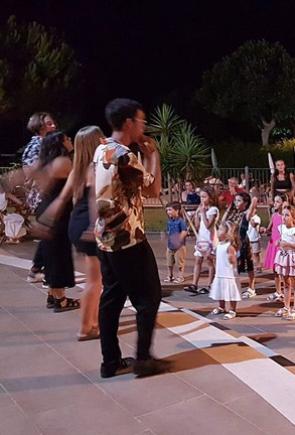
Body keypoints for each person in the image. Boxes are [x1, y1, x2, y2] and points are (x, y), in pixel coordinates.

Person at [93, 98, 170, 378]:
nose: (144, 125)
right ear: (128, 123)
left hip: (105, 239)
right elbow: (153, 190)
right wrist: (153, 155)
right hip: (129, 240)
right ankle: (143, 360)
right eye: (141, 120)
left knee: (111, 299)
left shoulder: (102, 149)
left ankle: (110, 362)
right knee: (149, 298)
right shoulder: (125, 155)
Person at [35, 131, 79, 312]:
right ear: (60, 143)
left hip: (46, 209)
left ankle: (53, 295)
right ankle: (60, 299)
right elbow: (80, 176)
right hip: (57, 213)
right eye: (67, 139)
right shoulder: (64, 162)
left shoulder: (46, 163)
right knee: (59, 254)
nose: (70, 140)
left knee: (51, 254)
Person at [22, 112, 57, 283]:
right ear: (40, 127)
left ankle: (38, 269)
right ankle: (39, 270)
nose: (54, 127)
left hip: (48, 195)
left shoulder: (47, 144)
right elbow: (30, 173)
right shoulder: (36, 146)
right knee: (49, 232)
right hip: (42, 196)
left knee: (49, 232)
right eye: (49, 124)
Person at [184, 186, 219, 294]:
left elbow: (208, 225)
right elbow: (198, 225)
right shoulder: (202, 209)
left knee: (209, 261)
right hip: (201, 238)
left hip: (210, 239)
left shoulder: (213, 210)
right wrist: (197, 214)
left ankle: (210, 284)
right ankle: (194, 284)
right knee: (198, 261)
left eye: (204, 197)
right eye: (201, 197)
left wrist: (203, 213)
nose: (202, 199)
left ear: (211, 198)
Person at [223, 192, 257, 299]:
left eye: (239, 200)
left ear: (245, 203)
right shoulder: (234, 213)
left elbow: (252, 208)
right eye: (235, 200)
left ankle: (251, 288)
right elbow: (223, 222)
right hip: (232, 243)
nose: (236, 203)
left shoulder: (246, 214)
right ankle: (233, 287)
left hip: (243, 243)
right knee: (232, 266)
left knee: (248, 266)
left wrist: (254, 198)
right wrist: (229, 208)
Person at [210, 221, 241, 319]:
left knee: (230, 292)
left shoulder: (229, 246)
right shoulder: (219, 244)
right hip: (220, 272)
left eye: (220, 229)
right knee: (220, 290)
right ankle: (221, 306)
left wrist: (231, 259)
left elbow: (233, 260)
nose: (218, 231)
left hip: (229, 273)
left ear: (227, 233)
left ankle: (232, 309)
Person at [273, 205, 295, 319]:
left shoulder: (294, 230)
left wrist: (288, 244)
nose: (284, 217)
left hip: (292, 258)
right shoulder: (281, 228)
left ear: (293, 218)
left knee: (294, 283)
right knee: (286, 283)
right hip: (283, 257)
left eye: (287, 215)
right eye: (283, 214)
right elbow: (281, 240)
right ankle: (286, 307)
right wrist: (278, 242)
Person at [263, 195, 283, 302]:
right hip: (273, 245)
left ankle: (286, 291)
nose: (275, 203)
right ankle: (278, 291)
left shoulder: (286, 217)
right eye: (274, 201)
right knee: (275, 270)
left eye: (278, 201)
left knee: (284, 271)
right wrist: (263, 230)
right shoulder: (274, 215)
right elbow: (269, 229)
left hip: (282, 247)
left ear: (284, 203)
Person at [164, 202, 187, 283]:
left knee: (179, 262)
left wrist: (178, 239)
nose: (168, 212)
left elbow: (184, 231)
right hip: (170, 246)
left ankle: (180, 277)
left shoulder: (180, 221)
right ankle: (170, 276)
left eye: (170, 210)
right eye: (167, 210)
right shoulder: (169, 221)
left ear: (177, 210)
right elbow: (168, 231)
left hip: (179, 247)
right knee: (169, 262)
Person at [247, 207, 262, 272]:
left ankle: (259, 267)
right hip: (248, 238)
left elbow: (254, 225)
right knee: (249, 254)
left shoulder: (257, 218)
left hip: (255, 238)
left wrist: (250, 218)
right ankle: (252, 266)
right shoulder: (247, 218)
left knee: (256, 254)